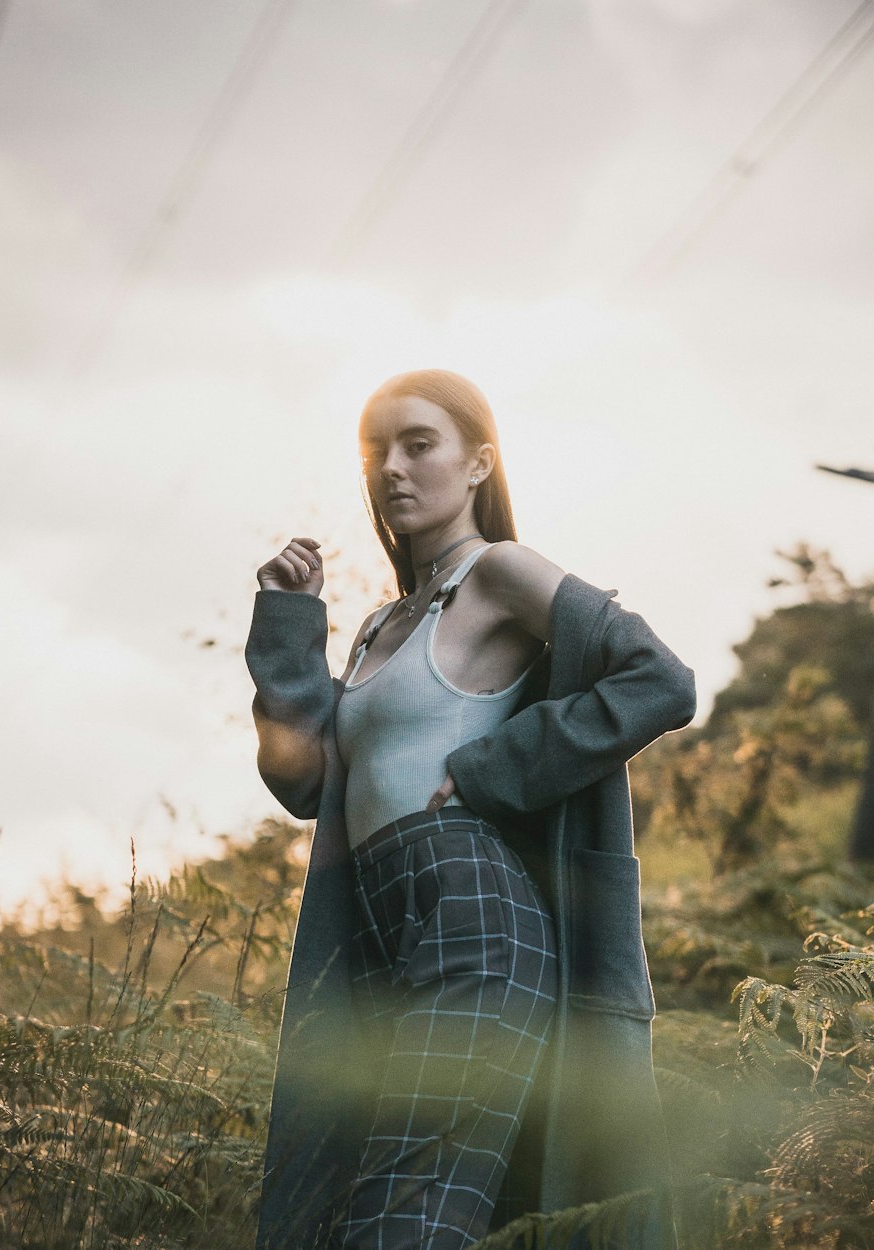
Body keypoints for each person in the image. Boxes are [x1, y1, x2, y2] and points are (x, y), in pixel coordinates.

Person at [245, 369, 696, 1250]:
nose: (394, 470)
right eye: (378, 452)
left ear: (480, 462)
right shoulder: (380, 626)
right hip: (382, 929)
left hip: (473, 917)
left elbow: (661, 681)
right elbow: (304, 781)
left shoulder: (501, 573)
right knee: (351, 1200)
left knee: (404, 1208)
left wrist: (498, 766)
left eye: (421, 445)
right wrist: (292, 627)